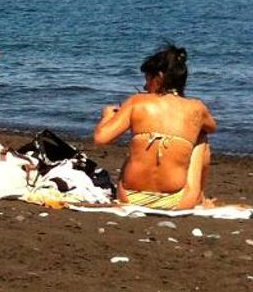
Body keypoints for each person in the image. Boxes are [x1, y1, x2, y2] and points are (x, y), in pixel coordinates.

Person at [93, 42, 219, 210]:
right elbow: (212, 127)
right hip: (179, 202)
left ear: (159, 78)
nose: (145, 86)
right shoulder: (197, 107)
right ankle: (199, 198)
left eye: (147, 80)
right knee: (202, 137)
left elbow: (100, 138)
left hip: (129, 198)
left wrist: (107, 116)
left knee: (139, 139)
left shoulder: (137, 101)